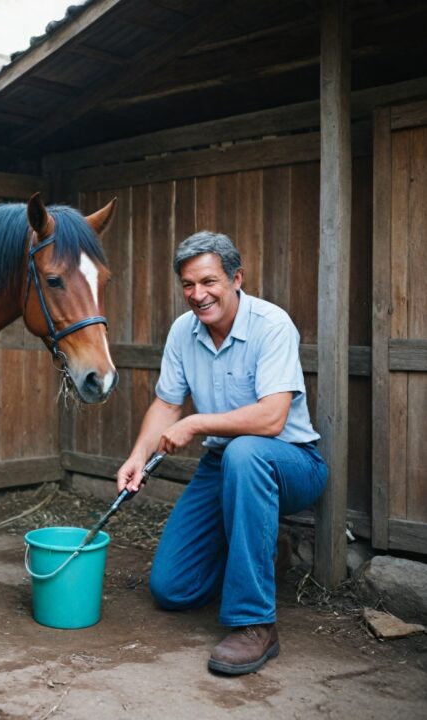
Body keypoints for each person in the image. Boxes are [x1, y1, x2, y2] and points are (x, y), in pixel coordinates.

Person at [116, 230, 327, 675]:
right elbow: (168, 404)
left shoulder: (271, 325)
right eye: (188, 285)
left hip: (291, 462)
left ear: (236, 278)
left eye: (209, 281)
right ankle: (265, 549)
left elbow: (271, 419)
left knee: (246, 453)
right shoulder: (183, 331)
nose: (198, 295)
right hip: (222, 463)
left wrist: (196, 423)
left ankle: (255, 623)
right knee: (172, 589)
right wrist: (138, 456)